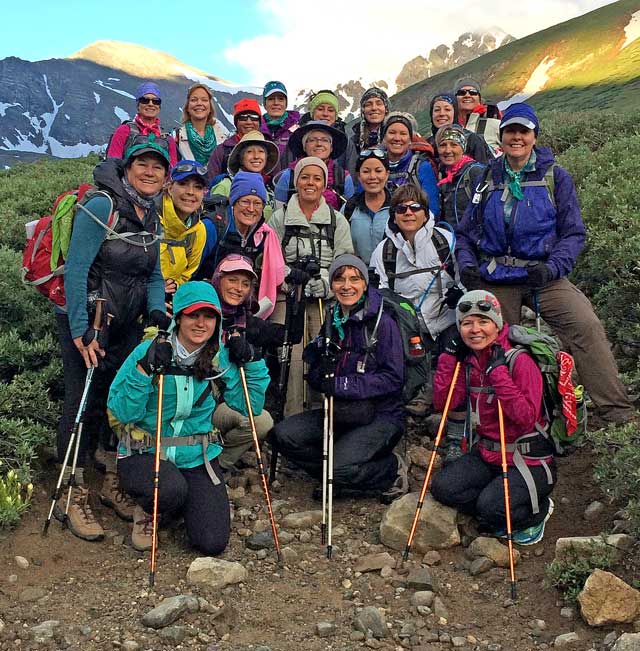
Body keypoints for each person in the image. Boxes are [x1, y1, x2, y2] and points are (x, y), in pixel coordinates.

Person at [455, 102, 636, 428]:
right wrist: (467, 265)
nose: (516, 137)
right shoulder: (487, 178)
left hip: (544, 275)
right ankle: (505, 420)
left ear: (534, 135)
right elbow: (465, 234)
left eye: (523, 131)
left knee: (586, 326)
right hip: (497, 275)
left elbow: (573, 234)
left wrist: (552, 268)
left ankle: (617, 413)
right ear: (503, 134)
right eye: (511, 130)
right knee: (496, 341)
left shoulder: (556, 177)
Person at [55, 134, 170, 541]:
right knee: (81, 402)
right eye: (143, 163)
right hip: (92, 321)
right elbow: (76, 268)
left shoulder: (151, 214)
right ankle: (74, 490)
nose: (150, 171)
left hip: (127, 323)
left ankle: (109, 479)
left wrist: (156, 308)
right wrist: (79, 330)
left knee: (115, 401)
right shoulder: (102, 205)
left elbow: (153, 273)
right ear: (126, 168)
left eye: (158, 166)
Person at [273, 254, 408, 502]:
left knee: (338, 470)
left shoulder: (382, 323)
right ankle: (338, 470)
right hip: (340, 411)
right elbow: (317, 366)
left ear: (365, 284)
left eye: (354, 279)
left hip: (381, 415)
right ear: (332, 285)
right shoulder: (333, 318)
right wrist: (318, 373)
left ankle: (390, 469)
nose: (347, 286)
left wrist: (342, 384)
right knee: (283, 435)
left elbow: (394, 378)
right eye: (339, 279)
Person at [107, 282, 230, 554]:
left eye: (209, 316)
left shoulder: (220, 359)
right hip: (144, 452)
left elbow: (250, 405)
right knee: (170, 489)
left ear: (217, 321)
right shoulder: (148, 351)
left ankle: (179, 504)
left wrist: (252, 361)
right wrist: (144, 370)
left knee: (212, 542)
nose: (201, 323)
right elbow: (122, 411)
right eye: (192, 315)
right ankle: (147, 509)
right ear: (178, 318)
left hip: (195, 456)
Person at [430, 290, 556, 545]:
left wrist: (498, 374)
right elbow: (445, 404)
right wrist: (448, 358)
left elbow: (525, 417)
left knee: (491, 510)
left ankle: (538, 509)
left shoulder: (519, 361)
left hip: (528, 458)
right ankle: (496, 499)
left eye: (483, 321)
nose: (475, 329)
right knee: (443, 488)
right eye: (467, 323)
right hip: (487, 453)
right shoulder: (469, 360)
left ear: (497, 324)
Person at [269, 157, 354, 415]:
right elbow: (270, 259)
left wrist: (327, 283)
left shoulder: (337, 221)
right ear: (296, 182)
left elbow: (345, 261)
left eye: (317, 178)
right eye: (305, 177)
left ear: (324, 184)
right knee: (292, 358)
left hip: (323, 299)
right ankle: (292, 415)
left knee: (323, 354)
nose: (310, 183)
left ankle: (320, 417)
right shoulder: (280, 218)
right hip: (287, 296)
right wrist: (289, 277)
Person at [210, 256, 276, 471]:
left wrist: (250, 356)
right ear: (219, 280)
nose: (238, 288)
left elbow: (252, 402)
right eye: (232, 280)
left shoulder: (243, 322)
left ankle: (218, 464)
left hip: (221, 400)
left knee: (261, 420)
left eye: (245, 284)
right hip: (188, 405)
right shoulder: (198, 313)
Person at [197, 171, 285, 318]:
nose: (251, 209)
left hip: (237, 304)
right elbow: (192, 269)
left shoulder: (263, 234)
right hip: (204, 301)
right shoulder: (213, 227)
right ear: (233, 200)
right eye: (245, 201)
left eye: (257, 203)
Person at [275, 120, 354, 210]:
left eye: (325, 140)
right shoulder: (289, 176)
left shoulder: (344, 177)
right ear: (304, 146)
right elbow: (279, 210)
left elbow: (349, 211)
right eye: (312, 140)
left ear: (331, 147)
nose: (319, 144)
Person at [159, 161, 208, 300]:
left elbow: (187, 274)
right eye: (183, 184)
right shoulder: (150, 218)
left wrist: (174, 285)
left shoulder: (198, 231)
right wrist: (155, 288)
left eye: (198, 187)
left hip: (168, 300)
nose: (190, 192)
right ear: (169, 187)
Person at [381, 112, 440, 218]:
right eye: (392, 132)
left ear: (410, 139)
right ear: (384, 137)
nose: (397, 138)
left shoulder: (422, 167)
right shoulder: (374, 165)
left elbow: (432, 210)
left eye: (403, 134)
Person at [106, 81, 178, 165]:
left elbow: (173, 172)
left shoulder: (167, 139)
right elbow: (112, 166)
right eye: (145, 100)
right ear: (138, 105)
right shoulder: (124, 131)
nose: (151, 104)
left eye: (156, 101)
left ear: (159, 107)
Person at [343, 147, 390, 265]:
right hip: (359, 276)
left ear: (387, 174)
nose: (372, 176)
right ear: (359, 176)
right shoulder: (349, 208)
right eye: (366, 171)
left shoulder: (398, 207)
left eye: (378, 171)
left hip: (393, 275)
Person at [435, 125, 486, 227]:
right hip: (451, 238)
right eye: (443, 145)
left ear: (463, 148)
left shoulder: (475, 172)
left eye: (454, 145)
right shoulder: (444, 176)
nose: (448, 150)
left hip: (473, 240)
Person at [296, 89, 357, 173]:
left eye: (331, 110)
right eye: (320, 109)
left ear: (336, 115)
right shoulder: (297, 137)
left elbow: (352, 173)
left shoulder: (346, 142)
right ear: (312, 113)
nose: (325, 114)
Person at [209, 130, 280, 198]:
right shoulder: (225, 186)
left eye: (261, 151)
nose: (256, 156)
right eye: (249, 151)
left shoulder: (268, 189)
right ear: (241, 158)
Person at [206, 99, 262, 183]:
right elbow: (211, 182)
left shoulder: (269, 150)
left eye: (254, 118)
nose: (249, 122)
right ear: (236, 122)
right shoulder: (221, 151)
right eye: (243, 117)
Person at [427, 92, 489, 164]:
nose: (442, 114)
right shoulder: (428, 144)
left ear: (455, 113)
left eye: (447, 109)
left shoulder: (471, 140)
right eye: (437, 110)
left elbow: (484, 170)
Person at [174, 84, 227, 165]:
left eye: (204, 100)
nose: (199, 103)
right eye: (194, 100)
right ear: (187, 107)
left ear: (210, 107)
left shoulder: (223, 137)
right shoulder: (177, 138)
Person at [347, 87, 391, 176]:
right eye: (368, 104)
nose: (374, 108)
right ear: (363, 110)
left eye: (379, 104)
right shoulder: (354, 141)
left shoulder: (395, 136)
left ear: (386, 108)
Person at [453, 78, 502, 156]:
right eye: (461, 92)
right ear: (455, 99)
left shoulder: (494, 122)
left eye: (473, 92)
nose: (467, 95)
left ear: (479, 99)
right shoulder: (448, 125)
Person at [260, 81, 300, 171]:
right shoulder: (256, 129)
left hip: (289, 182)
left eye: (281, 99)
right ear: (264, 103)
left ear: (286, 103)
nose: (276, 103)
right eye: (271, 99)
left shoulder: (298, 130)